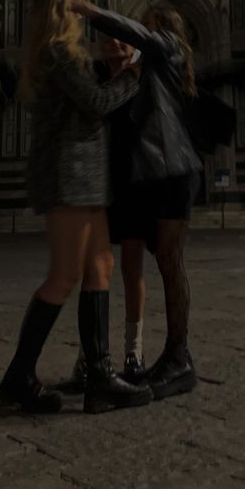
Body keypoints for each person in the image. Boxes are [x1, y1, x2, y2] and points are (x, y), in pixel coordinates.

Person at [0, 0, 152, 415]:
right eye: (75, 11)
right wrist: (133, 75)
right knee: (63, 275)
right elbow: (95, 102)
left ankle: (99, 376)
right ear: (62, 13)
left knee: (101, 265)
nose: (80, 18)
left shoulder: (57, 55)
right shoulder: (57, 54)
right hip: (69, 177)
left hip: (83, 178)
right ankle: (19, 376)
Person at [73, 0, 203, 401]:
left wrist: (91, 13)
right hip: (160, 173)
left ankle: (179, 357)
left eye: (145, 25)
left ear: (163, 27)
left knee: (170, 262)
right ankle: (171, 357)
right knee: (165, 262)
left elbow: (141, 38)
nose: (138, 31)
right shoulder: (152, 66)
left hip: (172, 170)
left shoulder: (170, 47)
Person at [70, 35, 149, 391]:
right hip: (99, 184)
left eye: (124, 39)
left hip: (132, 184)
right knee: (96, 272)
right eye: (110, 37)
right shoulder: (95, 82)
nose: (115, 42)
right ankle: (89, 357)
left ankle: (134, 352)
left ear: (134, 49)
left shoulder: (143, 83)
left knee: (133, 270)